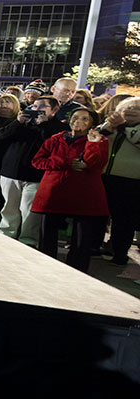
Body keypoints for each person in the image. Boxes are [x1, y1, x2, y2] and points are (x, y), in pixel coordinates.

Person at [31, 108, 110, 273]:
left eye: (84, 118)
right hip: (54, 191)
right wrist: (64, 162)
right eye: (75, 117)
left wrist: (93, 144)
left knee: (82, 238)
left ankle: (77, 271)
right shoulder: (56, 139)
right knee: (47, 234)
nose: (78, 120)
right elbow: (37, 161)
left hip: (84, 193)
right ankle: (45, 266)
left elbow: (95, 163)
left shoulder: (99, 140)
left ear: (92, 124)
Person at [0, 96, 65, 245]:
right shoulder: (21, 122)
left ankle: (28, 241)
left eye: (42, 107)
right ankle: (6, 235)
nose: (36, 110)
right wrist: (18, 122)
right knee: (9, 207)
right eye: (34, 106)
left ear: (54, 110)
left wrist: (44, 125)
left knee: (30, 211)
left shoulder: (59, 128)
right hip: (10, 172)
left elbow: (54, 144)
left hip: (36, 176)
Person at [98, 96, 140, 264]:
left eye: (135, 109)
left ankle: (120, 252)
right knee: (100, 215)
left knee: (124, 219)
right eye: (125, 109)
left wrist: (123, 126)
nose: (129, 112)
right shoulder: (112, 127)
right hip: (104, 176)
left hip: (131, 181)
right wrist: (109, 126)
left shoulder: (130, 128)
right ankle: (97, 245)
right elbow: (94, 137)